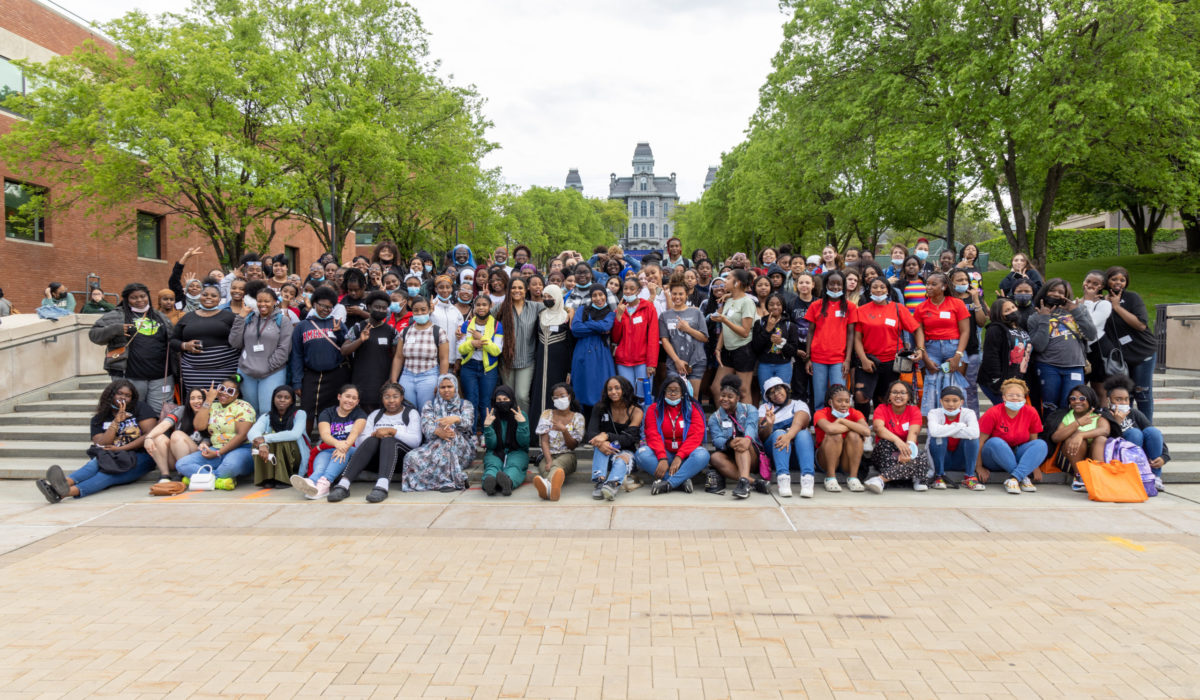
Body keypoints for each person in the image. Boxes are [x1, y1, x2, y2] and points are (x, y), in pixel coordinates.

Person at [36, 380, 158, 503]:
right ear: (111, 395)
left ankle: (63, 491)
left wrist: (122, 449)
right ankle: (64, 484)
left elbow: (151, 434)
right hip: (110, 454)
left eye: (127, 395)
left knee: (108, 475)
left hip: (140, 456)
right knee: (96, 462)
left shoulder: (140, 408)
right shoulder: (99, 418)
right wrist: (116, 421)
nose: (123, 398)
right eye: (119, 393)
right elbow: (102, 443)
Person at [322, 382, 423, 502]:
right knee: (372, 439)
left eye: (395, 396)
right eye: (387, 397)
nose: (391, 400)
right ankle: (344, 485)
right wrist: (377, 435)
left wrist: (392, 432)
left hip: (400, 461)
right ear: (382, 398)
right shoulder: (375, 415)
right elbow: (360, 443)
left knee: (389, 440)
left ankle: (382, 486)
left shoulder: (411, 413)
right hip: (375, 462)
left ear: (401, 397)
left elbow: (416, 442)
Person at [89, 282, 176, 414]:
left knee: (161, 413)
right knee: (132, 411)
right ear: (126, 299)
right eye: (134, 297)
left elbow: (172, 341)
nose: (140, 300)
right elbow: (94, 335)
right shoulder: (117, 315)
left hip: (161, 377)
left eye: (143, 296)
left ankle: (155, 435)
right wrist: (115, 329)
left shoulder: (160, 316)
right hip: (130, 375)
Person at [175, 376, 257, 490]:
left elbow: (242, 435)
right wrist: (208, 400)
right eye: (222, 388)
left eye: (230, 391)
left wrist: (219, 453)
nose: (224, 393)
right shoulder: (213, 406)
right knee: (181, 464)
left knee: (230, 466)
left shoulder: (244, 407)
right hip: (216, 449)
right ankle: (220, 480)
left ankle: (199, 478)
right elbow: (199, 426)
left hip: (241, 449)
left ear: (236, 394)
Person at [853, 277, 919, 416]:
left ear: (888, 290)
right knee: (860, 395)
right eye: (875, 287)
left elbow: (916, 329)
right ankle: (862, 432)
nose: (878, 290)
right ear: (869, 290)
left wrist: (921, 349)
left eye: (882, 287)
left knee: (883, 398)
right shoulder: (861, 310)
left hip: (891, 362)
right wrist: (863, 359)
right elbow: (857, 339)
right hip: (868, 360)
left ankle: (880, 429)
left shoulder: (897, 308)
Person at [1028, 279, 1096, 412]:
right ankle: (1050, 432)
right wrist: (1044, 318)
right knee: (1050, 406)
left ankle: (1068, 432)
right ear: (1045, 292)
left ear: (1066, 294)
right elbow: (1039, 346)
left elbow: (1092, 334)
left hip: (1074, 366)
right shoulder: (1036, 316)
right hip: (1048, 366)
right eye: (1052, 290)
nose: (1056, 294)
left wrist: (1075, 311)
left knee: (1071, 406)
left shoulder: (1079, 309)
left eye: (1060, 292)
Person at [634, 376, 710, 495]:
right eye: (669, 390)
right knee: (641, 454)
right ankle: (680, 481)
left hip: (685, 456)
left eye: (676, 390)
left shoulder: (693, 409)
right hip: (665, 454)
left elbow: (695, 436)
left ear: (683, 393)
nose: (673, 393)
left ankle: (668, 484)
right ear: (664, 391)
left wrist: (679, 456)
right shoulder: (654, 409)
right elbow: (653, 435)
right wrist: (662, 457)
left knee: (703, 454)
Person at [402, 374, 474, 492]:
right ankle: (443, 482)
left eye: (449, 387)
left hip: (461, 447)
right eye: (442, 387)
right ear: (438, 389)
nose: (446, 390)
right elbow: (426, 426)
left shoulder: (465, 404)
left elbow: (469, 423)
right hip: (433, 446)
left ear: (455, 387)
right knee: (411, 457)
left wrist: (456, 419)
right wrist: (437, 431)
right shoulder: (429, 406)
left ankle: (450, 482)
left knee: (451, 434)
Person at [289, 287, 348, 427]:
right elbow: (296, 354)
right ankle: (306, 445)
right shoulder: (302, 326)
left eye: (329, 307)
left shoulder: (337, 323)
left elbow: (346, 348)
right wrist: (297, 381)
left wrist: (339, 333)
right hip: (311, 375)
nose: (325, 309)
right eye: (322, 305)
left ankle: (325, 444)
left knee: (330, 413)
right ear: (314, 303)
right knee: (306, 412)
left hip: (334, 375)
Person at [976, 378, 1048, 494]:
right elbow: (979, 441)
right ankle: (1022, 476)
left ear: (1024, 398)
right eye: (1010, 395)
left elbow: (1033, 440)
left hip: (1016, 454)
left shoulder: (1031, 412)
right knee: (996, 442)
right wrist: (978, 466)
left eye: (1019, 395)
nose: (1015, 398)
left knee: (1041, 444)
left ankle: (1014, 479)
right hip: (994, 457)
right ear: (1004, 397)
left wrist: (1034, 467)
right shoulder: (993, 412)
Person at [229, 286, 293, 415]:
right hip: (247, 371)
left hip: (272, 372)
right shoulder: (248, 318)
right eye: (259, 301)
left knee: (267, 410)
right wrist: (240, 318)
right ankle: (251, 435)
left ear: (275, 302)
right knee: (250, 411)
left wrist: (267, 367)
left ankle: (264, 435)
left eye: (267, 301)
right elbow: (235, 343)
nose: (262, 304)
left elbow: (284, 348)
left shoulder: (283, 321)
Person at [1104, 266, 1157, 419]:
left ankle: (1146, 427)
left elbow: (1141, 324)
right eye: (1114, 279)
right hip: (1122, 358)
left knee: (1142, 392)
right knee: (1125, 394)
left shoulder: (1133, 298)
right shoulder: (1102, 301)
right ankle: (1128, 427)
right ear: (1107, 281)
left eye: (1122, 279)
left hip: (1142, 352)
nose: (1118, 283)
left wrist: (1116, 307)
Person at [913, 272, 970, 414]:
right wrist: (925, 357)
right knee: (931, 387)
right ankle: (934, 426)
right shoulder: (921, 308)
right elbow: (919, 333)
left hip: (954, 347)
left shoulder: (957, 303)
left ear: (944, 286)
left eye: (933, 284)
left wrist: (958, 356)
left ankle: (956, 423)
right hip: (931, 349)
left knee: (955, 386)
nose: (929, 287)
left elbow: (965, 331)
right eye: (927, 284)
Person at [863, 381, 933, 494]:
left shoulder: (914, 410)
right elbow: (878, 429)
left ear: (909, 396)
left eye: (902, 393)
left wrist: (907, 450)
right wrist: (897, 441)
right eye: (894, 392)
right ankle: (916, 476)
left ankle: (881, 479)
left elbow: (913, 433)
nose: (898, 396)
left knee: (921, 455)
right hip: (885, 453)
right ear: (889, 396)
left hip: (906, 449)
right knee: (885, 443)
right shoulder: (881, 408)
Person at [1102, 374, 1168, 491]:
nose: (1123, 403)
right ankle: (1132, 476)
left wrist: (1164, 457)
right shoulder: (1105, 415)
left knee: (1152, 431)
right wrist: (1116, 423)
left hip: (1141, 456)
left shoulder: (1134, 413)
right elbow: (1107, 441)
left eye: (1126, 399)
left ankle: (1155, 476)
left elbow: (1155, 435)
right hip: (1119, 457)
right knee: (1134, 433)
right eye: (1118, 399)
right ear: (1109, 400)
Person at [300, 384, 367, 500]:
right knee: (321, 466)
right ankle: (311, 482)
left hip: (351, 450)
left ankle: (324, 484)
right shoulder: (327, 413)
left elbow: (354, 433)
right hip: (328, 448)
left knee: (342, 453)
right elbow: (325, 435)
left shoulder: (360, 414)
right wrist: (338, 444)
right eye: (347, 396)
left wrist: (343, 447)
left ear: (357, 401)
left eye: (354, 398)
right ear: (339, 396)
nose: (350, 400)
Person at [172, 282, 239, 396]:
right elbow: (173, 340)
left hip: (225, 369)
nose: (209, 297)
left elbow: (240, 339)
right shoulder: (188, 317)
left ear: (219, 300)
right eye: (205, 294)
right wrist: (185, 346)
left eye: (213, 296)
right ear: (200, 297)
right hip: (193, 371)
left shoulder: (230, 317)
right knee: (197, 401)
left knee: (222, 399)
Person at [804, 270, 858, 411]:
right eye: (832, 284)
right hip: (818, 358)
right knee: (819, 397)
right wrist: (808, 357)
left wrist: (847, 359)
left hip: (839, 359)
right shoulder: (816, 305)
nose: (835, 287)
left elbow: (851, 334)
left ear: (843, 286)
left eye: (839, 284)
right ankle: (819, 427)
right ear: (825, 285)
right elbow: (810, 331)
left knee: (839, 396)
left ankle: (838, 427)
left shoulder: (850, 307)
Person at [705, 375, 766, 498]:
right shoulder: (714, 418)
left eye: (730, 396)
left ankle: (743, 484)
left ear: (738, 398)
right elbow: (717, 440)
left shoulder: (750, 409)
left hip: (750, 453)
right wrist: (728, 443)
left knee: (740, 443)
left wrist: (747, 439)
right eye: (722, 395)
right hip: (730, 455)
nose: (725, 399)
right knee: (715, 457)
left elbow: (751, 427)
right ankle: (751, 482)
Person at [585, 376, 643, 499]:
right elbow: (590, 434)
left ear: (625, 389)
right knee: (600, 447)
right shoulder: (600, 407)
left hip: (627, 452)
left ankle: (612, 484)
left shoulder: (636, 411)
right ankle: (600, 482)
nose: (613, 392)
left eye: (617, 388)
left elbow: (628, 439)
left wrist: (606, 435)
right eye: (610, 389)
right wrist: (602, 443)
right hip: (605, 456)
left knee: (622, 458)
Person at [757, 376, 816, 497]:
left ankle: (808, 479)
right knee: (779, 433)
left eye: (778, 389)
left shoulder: (798, 404)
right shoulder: (765, 409)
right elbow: (762, 437)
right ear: (768, 397)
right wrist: (769, 424)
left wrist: (788, 436)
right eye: (771, 393)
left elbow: (801, 421)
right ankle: (783, 479)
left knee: (803, 433)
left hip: (797, 453)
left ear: (785, 389)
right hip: (776, 454)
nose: (776, 394)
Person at [339, 291, 397, 413]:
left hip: (383, 380)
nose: (380, 310)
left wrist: (391, 378)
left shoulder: (391, 331)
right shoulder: (358, 328)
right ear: (369, 307)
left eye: (384, 308)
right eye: (377, 307)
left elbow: (396, 356)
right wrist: (360, 340)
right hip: (362, 380)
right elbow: (344, 350)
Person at [390, 296, 449, 413]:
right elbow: (398, 357)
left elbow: (444, 359)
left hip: (429, 376)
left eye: (423, 309)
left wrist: (442, 381)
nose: (420, 313)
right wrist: (394, 380)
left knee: (426, 411)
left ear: (429, 310)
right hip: (407, 376)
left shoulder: (438, 331)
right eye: (416, 310)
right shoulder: (405, 331)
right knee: (407, 411)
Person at [457, 295, 503, 443]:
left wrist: (480, 339)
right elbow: (461, 349)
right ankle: (470, 434)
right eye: (478, 305)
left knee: (485, 402)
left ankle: (484, 433)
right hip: (469, 367)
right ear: (474, 307)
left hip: (488, 369)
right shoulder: (466, 324)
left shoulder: (497, 325)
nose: (481, 307)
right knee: (470, 401)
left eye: (484, 305)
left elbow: (496, 350)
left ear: (490, 307)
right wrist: (472, 343)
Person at [495, 276, 544, 414]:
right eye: (514, 287)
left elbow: (557, 308)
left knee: (522, 396)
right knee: (508, 397)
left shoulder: (535, 307)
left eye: (520, 287)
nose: (517, 290)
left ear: (526, 289)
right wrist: (462, 330)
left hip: (527, 360)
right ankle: (510, 427)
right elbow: (482, 320)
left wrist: (570, 311)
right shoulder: (500, 308)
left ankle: (523, 428)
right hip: (506, 360)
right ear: (509, 290)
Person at [1048, 384, 1110, 490]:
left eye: (1082, 398)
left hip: (1092, 457)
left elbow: (1105, 430)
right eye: (1073, 398)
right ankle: (1079, 477)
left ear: (1090, 400)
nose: (1077, 401)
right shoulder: (1066, 416)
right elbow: (1055, 437)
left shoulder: (1097, 416)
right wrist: (1077, 424)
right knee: (1076, 439)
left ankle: (1100, 475)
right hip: (1069, 461)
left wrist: (1081, 435)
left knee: (1101, 439)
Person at [531, 383, 585, 501]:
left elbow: (572, 446)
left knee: (555, 467)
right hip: (547, 455)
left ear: (569, 397)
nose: (559, 400)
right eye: (555, 398)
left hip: (567, 455)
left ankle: (546, 486)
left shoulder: (578, 417)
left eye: (562, 396)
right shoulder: (547, 414)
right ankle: (551, 490)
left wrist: (564, 431)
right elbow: (544, 441)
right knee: (550, 468)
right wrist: (549, 460)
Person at [812, 384, 870, 492]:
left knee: (855, 436)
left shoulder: (854, 413)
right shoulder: (821, 413)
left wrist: (842, 421)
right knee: (835, 436)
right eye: (839, 401)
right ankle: (830, 478)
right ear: (830, 402)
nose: (844, 405)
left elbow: (866, 431)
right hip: (824, 458)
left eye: (847, 401)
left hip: (845, 460)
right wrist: (853, 427)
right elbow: (830, 429)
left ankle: (853, 478)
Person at [248, 385, 308, 488]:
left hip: (294, 456)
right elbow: (252, 433)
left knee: (279, 440)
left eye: (286, 398)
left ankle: (284, 479)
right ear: (273, 399)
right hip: (273, 455)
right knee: (257, 442)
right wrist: (262, 443)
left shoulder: (299, 414)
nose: (282, 400)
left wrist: (266, 438)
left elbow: (294, 434)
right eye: (279, 397)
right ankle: (268, 478)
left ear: (292, 401)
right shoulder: (267, 416)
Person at [570, 286, 617, 418]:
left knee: (601, 387)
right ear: (591, 297)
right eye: (594, 295)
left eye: (601, 295)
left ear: (606, 296)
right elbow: (575, 329)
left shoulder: (610, 312)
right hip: (582, 353)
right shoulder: (582, 309)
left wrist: (588, 323)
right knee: (581, 387)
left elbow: (606, 326)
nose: (598, 298)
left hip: (601, 354)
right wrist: (598, 326)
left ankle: (601, 421)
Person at [711, 269, 757, 404]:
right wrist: (718, 348)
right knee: (716, 388)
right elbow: (725, 328)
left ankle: (747, 423)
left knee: (743, 391)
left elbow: (744, 332)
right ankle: (723, 422)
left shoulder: (747, 302)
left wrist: (724, 320)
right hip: (727, 350)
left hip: (744, 350)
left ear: (737, 283)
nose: (724, 281)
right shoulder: (729, 300)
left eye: (728, 278)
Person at [659, 276, 708, 400]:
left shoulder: (696, 313)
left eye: (681, 294)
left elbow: (704, 338)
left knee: (693, 397)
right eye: (674, 294)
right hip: (674, 363)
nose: (677, 297)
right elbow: (665, 340)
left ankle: (693, 420)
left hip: (696, 361)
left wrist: (688, 329)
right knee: (675, 396)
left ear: (686, 295)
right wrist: (677, 361)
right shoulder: (664, 316)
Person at [144, 388, 207, 482]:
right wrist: (148, 437)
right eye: (192, 398)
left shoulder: (211, 412)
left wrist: (206, 443)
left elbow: (211, 436)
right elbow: (164, 424)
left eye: (199, 398)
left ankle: (182, 473)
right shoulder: (182, 410)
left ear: (205, 400)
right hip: (176, 457)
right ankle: (165, 475)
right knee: (158, 436)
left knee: (177, 434)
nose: (196, 401)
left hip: (198, 455)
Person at [926, 385, 983, 490]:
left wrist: (946, 430)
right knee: (938, 438)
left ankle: (969, 476)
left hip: (960, 458)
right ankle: (939, 476)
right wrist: (959, 426)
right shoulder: (934, 413)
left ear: (961, 402)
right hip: (942, 458)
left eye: (955, 400)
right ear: (941, 401)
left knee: (972, 439)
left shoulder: (969, 413)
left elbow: (975, 433)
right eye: (947, 400)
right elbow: (934, 432)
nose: (951, 404)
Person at [978, 298, 1033, 406]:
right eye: (1007, 310)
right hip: (998, 382)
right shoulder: (995, 329)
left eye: (1013, 307)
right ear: (1000, 315)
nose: (1012, 311)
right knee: (1007, 412)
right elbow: (991, 356)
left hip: (1016, 380)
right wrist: (998, 380)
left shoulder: (1020, 329)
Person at [612, 276, 659, 401]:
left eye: (632, 289)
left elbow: (653, 336)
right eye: (625, 288)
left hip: (643, 361)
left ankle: (644, 420)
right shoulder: (619, 309)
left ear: (638, 291)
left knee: (644, 397)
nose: (628, 291)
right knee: (627, 396)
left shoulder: (648, 307)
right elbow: (615, 338)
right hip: (623, 361)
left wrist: (652, 363)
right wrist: (619, 317)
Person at [948, 268, 987, 415]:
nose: (963, 283)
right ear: (951, 283)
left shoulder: (974, 298)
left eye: (965, 280)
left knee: (970, 388)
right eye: (959, 280)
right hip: (953, 350)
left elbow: (982, 322)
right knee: (953, 386)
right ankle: (954, 417)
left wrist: (977, 300)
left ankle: (973, 420)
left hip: (972, 350)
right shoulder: (948, 300)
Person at [478, 385, 529, 496]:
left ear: (511, 400)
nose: (502, 402)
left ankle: (508, 482)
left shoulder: (520, 415)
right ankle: (489, 483)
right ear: (494, 401)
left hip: (517, 450)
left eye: (506, 399)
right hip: (496, 450)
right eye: (499, 400)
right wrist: (487, 426)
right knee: (492, 465)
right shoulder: (492, 416)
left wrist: (522, 424)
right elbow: (491, 445)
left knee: (515, 465)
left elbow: (524, 443)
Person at [752, 292, 801, 394]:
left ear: (783, 306)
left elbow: (793, 351)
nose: (775, 307)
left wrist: (782, 343)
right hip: (765, 365)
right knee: (767, 394)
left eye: (778, 304)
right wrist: (767, 330)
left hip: (784, 365)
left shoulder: (790, 325)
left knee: (782, 395)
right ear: (767, 306)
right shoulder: (759, 323)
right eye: (771, 304)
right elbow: (756, 347)